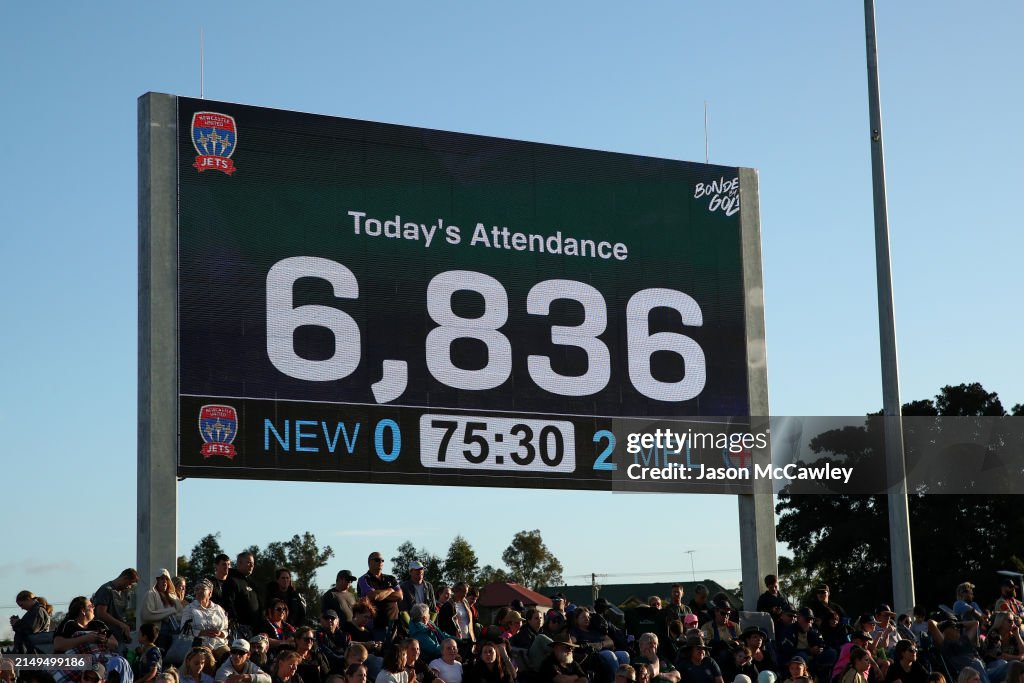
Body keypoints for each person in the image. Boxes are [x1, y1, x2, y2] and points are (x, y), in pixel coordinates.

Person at [569, 606, 630, 682]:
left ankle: (625, 680)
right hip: (592, 655)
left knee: (624, 654)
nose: (587, 619)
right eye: (583, 617)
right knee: (609, 654)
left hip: (603, 649)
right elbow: (572, 643)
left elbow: (610, 641)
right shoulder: (575, 631)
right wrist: (590, 645)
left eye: (588, 617)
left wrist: (600, 644)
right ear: (576, 619)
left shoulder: (594, 630)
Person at [358, 553, 404, 642]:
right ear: (369, 562)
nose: (380, 562)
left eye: (382, 560)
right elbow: (374, 596)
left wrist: (380, 594)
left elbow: (400, 596)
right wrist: (390, 590)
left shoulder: (391, 578)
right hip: (376, 626)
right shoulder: (364, 579)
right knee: (381, 653)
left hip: (395, 623)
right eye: (377, 560)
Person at [183, 579, 231, 659]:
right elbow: (184, 630)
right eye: (197, 589)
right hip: (200, 643)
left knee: (229, 657)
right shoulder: (189, 608)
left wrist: (220, 634)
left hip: (218, 643)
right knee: (208, 659)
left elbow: (226, 629)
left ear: (210, 593)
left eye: (203, 589)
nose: (199, 591)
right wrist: (201, 632)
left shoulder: (218, 609)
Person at [54, 596, 119, 654]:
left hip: (102, 658)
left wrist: (105, 640)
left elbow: (115, 644)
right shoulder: (68, 624)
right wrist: (85, 638)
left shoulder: (99, 624)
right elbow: (58, 645)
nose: (93, 607)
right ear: (83, 611)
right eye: (90, 606)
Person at [94, 568, 140, 645]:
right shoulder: (106, 590)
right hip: (106, 637)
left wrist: (126, 626)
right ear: (125, 578)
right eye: (129, 583)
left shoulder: (124, 592)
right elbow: (101, 613)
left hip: (119, 637)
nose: (129, 587)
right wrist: (121, 624)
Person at [225, 552, 263, 638]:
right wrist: (235, 621)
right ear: (239, 563)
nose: (252, 566)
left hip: (254, 628)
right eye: (249, 562)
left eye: (253, 563)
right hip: (239, 629)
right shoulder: (232, 581)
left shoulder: (252, 583)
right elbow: (228, 603)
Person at [318, 610, 353, 677]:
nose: (329, 620)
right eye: (326, 618)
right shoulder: (319, 634)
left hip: (344, 668)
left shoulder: (346, 636)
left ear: (337, 621)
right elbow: (324, 651)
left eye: (332, 618)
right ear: (321, 621)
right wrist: (342, 658)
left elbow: (349, 652)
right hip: (327, 669)